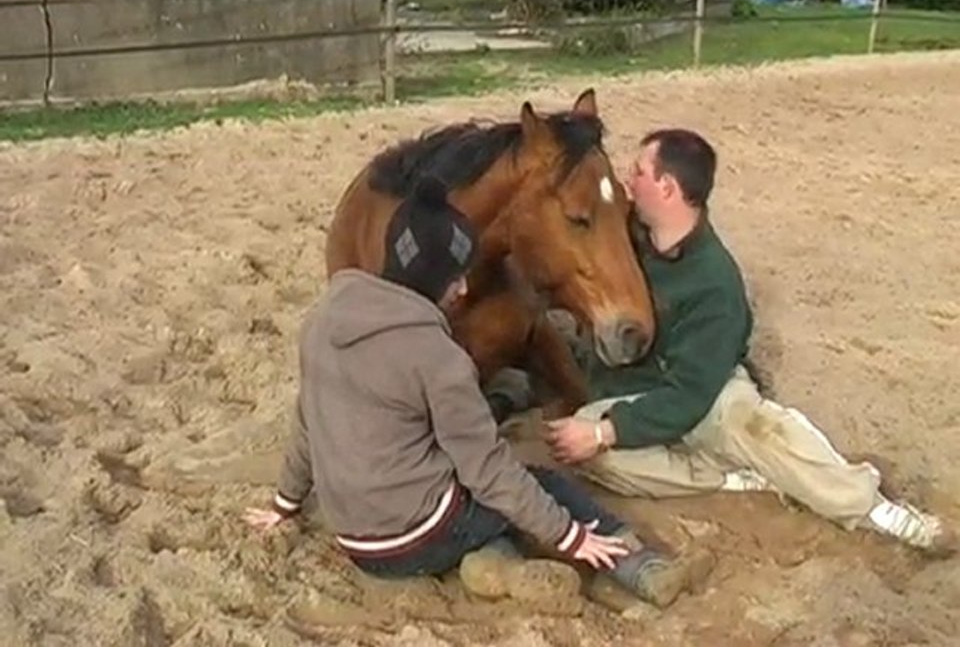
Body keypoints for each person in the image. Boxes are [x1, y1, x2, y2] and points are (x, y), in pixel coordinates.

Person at [243, 175, 715, 610]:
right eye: (457, 277)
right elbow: (486, 469)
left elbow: (307, 420)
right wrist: (571, 536)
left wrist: (284, 504)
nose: (465, 288)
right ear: (436, 280)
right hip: (419, 532)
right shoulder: (437, 356)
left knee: (473, 497)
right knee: (540, 483)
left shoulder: (323, 320)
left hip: (358, 540)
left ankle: (493, 563)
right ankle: (642, 567)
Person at [543, 128, 956, 557]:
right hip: (634, 393)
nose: (629, 180)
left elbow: (691, 393)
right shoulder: (625, 235)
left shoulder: (716, 283)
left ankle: (873, 509)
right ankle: (730, 476)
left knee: (758, 428)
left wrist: (606, 429)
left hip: (705, 396)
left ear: (666, 187)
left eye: (639, 171)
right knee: (584, 452)